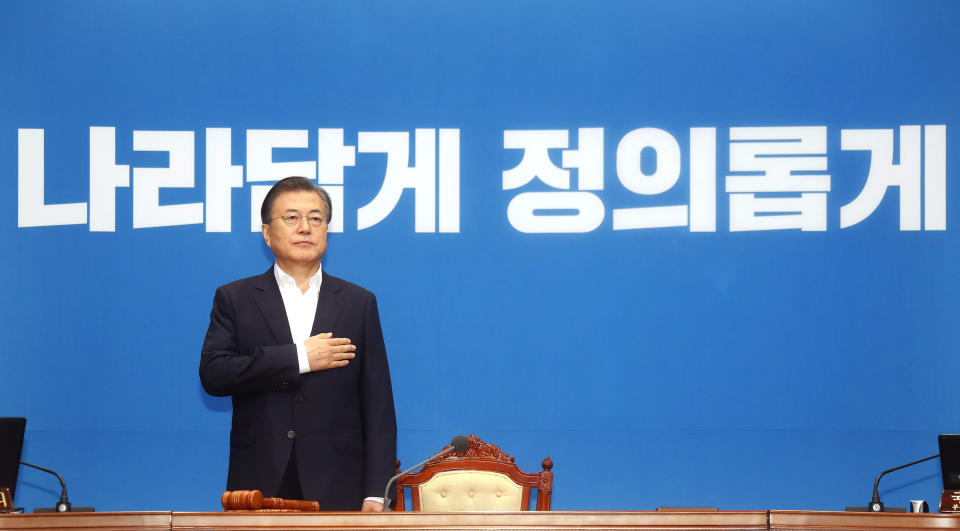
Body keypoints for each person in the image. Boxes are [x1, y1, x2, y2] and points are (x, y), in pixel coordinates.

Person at [199, 176, 397, 512]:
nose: (305, 227)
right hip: (259, 478)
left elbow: (378, 406)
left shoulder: (358, 302)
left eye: (316, 218)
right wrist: (297, 357)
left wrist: (376, 492)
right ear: (266, 232)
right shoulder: (235, 298)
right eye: (291, 218)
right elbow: (215, 375)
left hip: (340, 480)